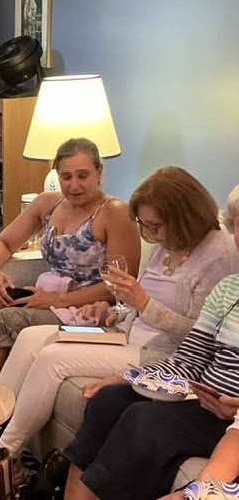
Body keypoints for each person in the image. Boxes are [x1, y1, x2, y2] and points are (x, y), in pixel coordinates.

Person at [0, 168, 239, 484]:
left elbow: (202, 338)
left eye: (155, 227)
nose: (151, 236)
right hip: (126, 334)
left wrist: (144, 303)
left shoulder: (218, 257)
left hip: (157, 353)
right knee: (30, 338)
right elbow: (136, 307)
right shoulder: (166, 243)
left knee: (52, 358)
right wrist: (111, 310)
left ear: (183, 216)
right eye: (145, 227)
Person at [62, 185, 239, 500]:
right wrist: (128, 376)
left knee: (144, 419)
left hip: (227, 415)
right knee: (110, 399)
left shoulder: (216, 258)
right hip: (203, 399)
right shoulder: (229, 289)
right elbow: (190, 356)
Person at [0, 138, 141, 374]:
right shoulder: (48, 203)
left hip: (87, 311)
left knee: (6, 320)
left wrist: (58, 300)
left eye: (83, 176)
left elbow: (121, 287)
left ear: (99, 172)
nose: (74, 185)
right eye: (66, 177)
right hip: (47, 296)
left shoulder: (115, 212)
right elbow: (5, 242)